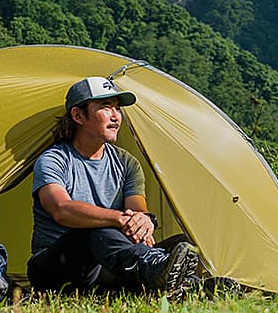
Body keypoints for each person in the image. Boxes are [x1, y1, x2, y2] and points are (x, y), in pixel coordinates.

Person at [26, 76, 199, 296]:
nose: (116, 116)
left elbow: (137, 213)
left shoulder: (127, 164)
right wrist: (117, 218)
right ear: (78, 115)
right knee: (94, 229)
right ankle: (155, 269)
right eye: (106, 107)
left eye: (117, 109)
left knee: (185, 242)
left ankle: (188, 284)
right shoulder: (54, 160)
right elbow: (61, 209)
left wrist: (143, 222)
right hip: (54, 269)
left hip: (106, 265)